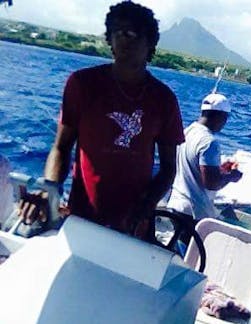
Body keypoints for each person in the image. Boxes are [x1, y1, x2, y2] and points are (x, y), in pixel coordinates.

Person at [18, 1, 184, 238]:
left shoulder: (164, 100)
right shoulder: (82, 84)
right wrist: (49, 189)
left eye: (135, 33)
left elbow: (168, 169)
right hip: (81, 217)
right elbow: (61, 147)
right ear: (110, 39)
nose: (126, 39)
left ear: (150, 43)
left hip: (134, 227)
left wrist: (143, 208)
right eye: (119, 32)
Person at [167, 93, 242, 220]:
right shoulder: (209, 142)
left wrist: (220, 171)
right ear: (220, 116)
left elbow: (191, 168)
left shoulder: (187, 132)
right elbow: (211, 184)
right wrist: (231, 176)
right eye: (226, 117)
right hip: (193, 212)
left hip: (175, 204)